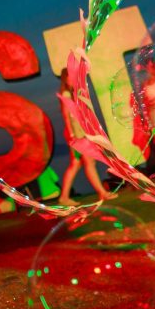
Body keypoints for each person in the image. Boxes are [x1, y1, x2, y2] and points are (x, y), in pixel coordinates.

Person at [58, 69, 117, 206]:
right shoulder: (66, 94)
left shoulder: (72, 94)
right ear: (65, 80)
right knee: (89, 163)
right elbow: (66, 116)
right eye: (70, 77)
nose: (73, 80)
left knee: (75, 165)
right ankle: (102, 192)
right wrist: (73, 136)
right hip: (78, 135)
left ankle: (64, 197)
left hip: (79, 133)